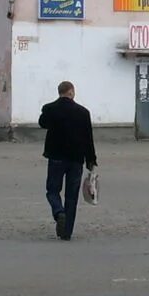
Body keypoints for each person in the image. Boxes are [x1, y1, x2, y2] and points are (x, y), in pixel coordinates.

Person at [38, 80, 98, 241]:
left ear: (60, 92)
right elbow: (88, 138)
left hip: (56, 157)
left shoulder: (50, 108)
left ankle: (59, 212)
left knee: (52, 190)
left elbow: (42, 123)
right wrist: (91, 160)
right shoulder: (83, 112)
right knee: (72, 196)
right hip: (76, 159)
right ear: (71, 92)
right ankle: (67, 232)